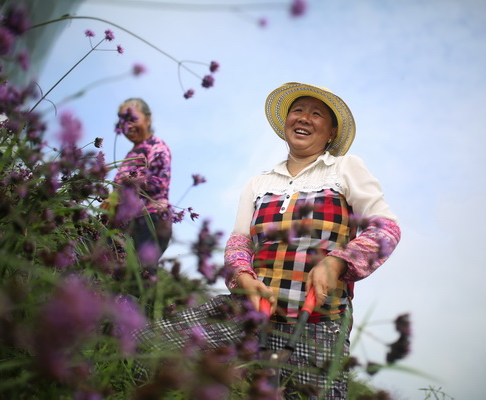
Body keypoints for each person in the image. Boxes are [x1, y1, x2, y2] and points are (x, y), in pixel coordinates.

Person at [133, 83, 400, 399]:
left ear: (330, 133)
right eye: (297, 111)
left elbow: (386, 229)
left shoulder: (345, 168)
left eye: (317, 114)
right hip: (251, 310)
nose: (304, 118)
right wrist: (245, 278)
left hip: (317, 322)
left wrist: (337, 261)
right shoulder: (259, 183)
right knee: (147, 349)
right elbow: (239, 242)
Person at [107, 98, 172, 275]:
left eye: (132, 119)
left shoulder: (156, 146)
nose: (127, 126)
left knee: (139, 276)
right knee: (113, 273)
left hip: (150, 220)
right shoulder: (131, 153)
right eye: (123, 121)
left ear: (148, 119)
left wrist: (124, 187)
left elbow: (159, 182)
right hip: (125, 224)